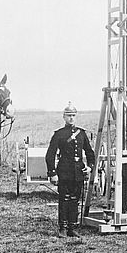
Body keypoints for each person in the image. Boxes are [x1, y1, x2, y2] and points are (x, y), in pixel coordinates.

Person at [46, 102, 95, 238]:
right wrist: (53, 173)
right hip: (64, 172)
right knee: (64, 199)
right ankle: (63, 227)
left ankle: (72, 228)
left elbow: (90, 153)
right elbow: (50, 155)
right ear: (64, 117)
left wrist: (90, 167)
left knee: (75, 200)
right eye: (68, 116)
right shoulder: (59, 134)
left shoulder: (81, 134)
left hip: (78, 172)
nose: (71, 118)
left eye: (73, 115)